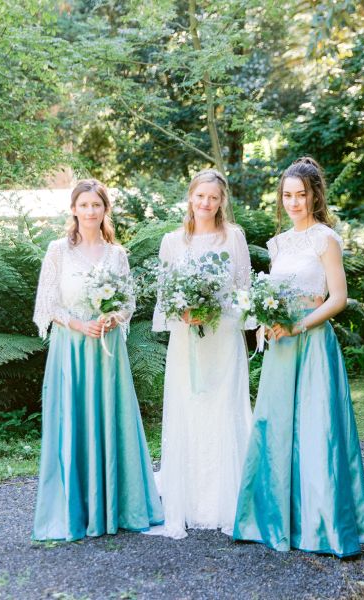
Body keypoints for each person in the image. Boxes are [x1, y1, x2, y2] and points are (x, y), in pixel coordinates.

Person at [233, 157, 364, 557]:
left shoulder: (325, 239)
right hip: (280, 345)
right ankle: (276, 520)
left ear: (315, 195)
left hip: (311, 343)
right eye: (287, 195)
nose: (294, 202)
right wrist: (265, 321)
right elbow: (272, 296)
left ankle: (321, 525)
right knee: (276, 427)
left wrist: (298, 325)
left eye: (301, 195)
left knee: (317, 429)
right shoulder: (278, 245)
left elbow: (339, 298)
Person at [32, 179, 163, 541]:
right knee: (74, 420)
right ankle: (76, 508)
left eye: (97, 205)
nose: (90, 211)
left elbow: (128, 302)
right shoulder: (57, 250)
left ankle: (116, 506)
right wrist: (78, 323)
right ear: (73, 209)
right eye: (84, 205)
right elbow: (47, 304)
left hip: (106, 352)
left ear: (105, 210)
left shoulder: (116, 254)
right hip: (71, 348)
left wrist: (113, 318)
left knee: (110, 418)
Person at [150, 168, 252, 539]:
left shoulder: (234, 238)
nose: (206, 203)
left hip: (223, 338)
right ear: (190, 198)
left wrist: (216, 310)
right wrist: (185, 311)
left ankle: (228, 502)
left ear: (222, 201)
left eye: (213, 197)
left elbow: (243, 291)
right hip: (187, 340)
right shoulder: (172, 241)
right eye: (200, 196)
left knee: (224, 409)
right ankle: (189, 503)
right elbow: (164, 297)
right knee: (190, 408)